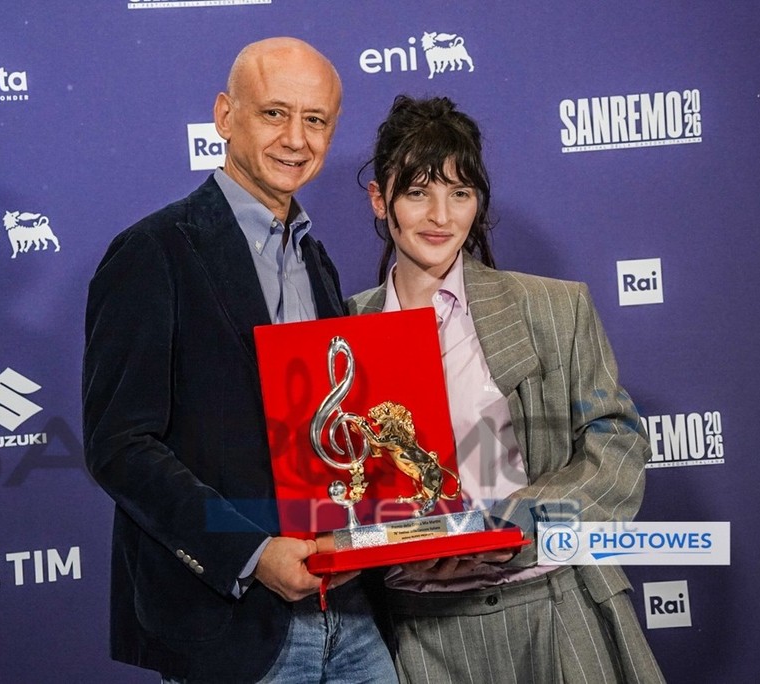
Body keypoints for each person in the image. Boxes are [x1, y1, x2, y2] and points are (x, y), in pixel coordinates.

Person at [82, 38, 395, 683]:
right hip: (232, 626)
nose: (296, 139)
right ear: (226, 116)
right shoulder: (154, 251)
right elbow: (120, 446)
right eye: (274, 113)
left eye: (315, 120)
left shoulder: (315, 257)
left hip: (350, 612)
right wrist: (251, 553)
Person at [348, 94, 666, 683]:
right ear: (379, 198)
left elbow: (616, 445)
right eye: (417, 192)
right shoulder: (341, 333)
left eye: (460, 193)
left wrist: (517, 523)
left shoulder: (553, 307)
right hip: (418, 635)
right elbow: (337, 493)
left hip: (553, 608)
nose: (440, 216)